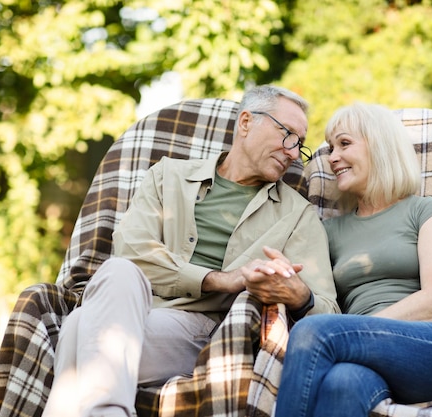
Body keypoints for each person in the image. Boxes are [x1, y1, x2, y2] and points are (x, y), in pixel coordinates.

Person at [41, 85, 339, 417]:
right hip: (132, 306)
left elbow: (329, 311)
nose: (294, 153)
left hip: (200, 331)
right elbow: (131, 252)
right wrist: (222, 280)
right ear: (245, 122)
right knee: (117, 272)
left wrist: (300, 295)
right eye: (288, 135)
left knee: (80, 327)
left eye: (300, 143)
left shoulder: (297, 215)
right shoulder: (167, 176)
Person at [274, 103, 432, 417]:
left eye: (344, 143)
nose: (332, 157)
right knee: (341, 384)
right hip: (362, 360)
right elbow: (318, 297)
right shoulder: (328, 231)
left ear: (379, 145)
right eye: (329, 148)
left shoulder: (424, 210)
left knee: (313, 332)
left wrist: (354, 330)